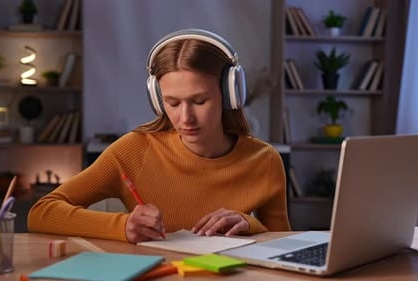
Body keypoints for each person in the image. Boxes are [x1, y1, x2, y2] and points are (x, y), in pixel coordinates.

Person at [28, 29, 290, 243]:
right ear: (157, 100)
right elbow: (42, 212)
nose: (185, 118)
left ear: (230, 94)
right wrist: (122, 226)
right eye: (172, 103)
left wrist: (249, 223)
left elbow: (282, 242)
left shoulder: (265, 160)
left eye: (199, 101)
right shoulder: (134, 150)